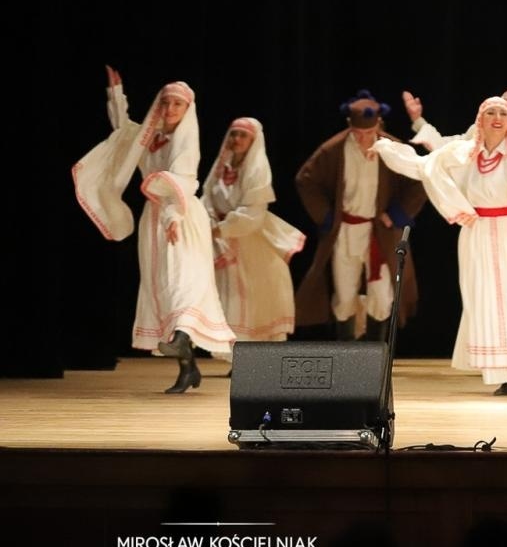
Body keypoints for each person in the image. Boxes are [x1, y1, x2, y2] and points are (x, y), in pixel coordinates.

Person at [372, 97, 507, 394]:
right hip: (479, 233)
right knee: (485, 299)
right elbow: (426, 165)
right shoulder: (465, 153)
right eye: (491, 112)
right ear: (480, 119)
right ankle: (502, 369)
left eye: (503, 113)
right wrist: (387, 149)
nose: (498, 117)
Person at [72, 68, 234, 392]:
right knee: (162, 288)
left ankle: (180, 344)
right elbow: (123, 130)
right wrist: (116, 94)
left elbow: (185, 180)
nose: (171, 109)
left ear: (188, 110)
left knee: (184, 284)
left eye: (178, 104)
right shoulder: (148, 135)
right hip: (154, 220)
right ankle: (187, 366)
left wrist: (173, 216)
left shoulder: (187, 140)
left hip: (182, 216)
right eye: (166, 103)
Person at [405, 85, 507, 367]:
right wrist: (420, 122)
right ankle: (500, 356)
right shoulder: (479, 138)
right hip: (489, 227)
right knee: (492, 294)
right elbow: (448, 149)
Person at [294, 91, 426, 340]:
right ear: (349, 126)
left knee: (381, 294)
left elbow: (420, 179)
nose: (364, 139)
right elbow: (305, 180)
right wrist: (326, 217)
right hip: (346, 230)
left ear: (379, 124)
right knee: (344, 293)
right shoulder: (334, 150)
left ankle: (377, 356)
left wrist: (396, 214)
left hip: (381, 233)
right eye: (358, 133)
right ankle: (347, 356)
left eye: (369, 133)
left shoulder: (392, 148)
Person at [203, 117, 304, 343]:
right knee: (230, 295)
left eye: (243, 135)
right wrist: (209, 222)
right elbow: (207, 195)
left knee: (254, 296)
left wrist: (223, 228)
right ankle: (233, 351)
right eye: (233, 134)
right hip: (223, 240)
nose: (237, 139)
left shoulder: (258, 169)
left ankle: (257, 353)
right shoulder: (222, 166)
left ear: (253, 140)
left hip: (251, 240)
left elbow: (253, 212)